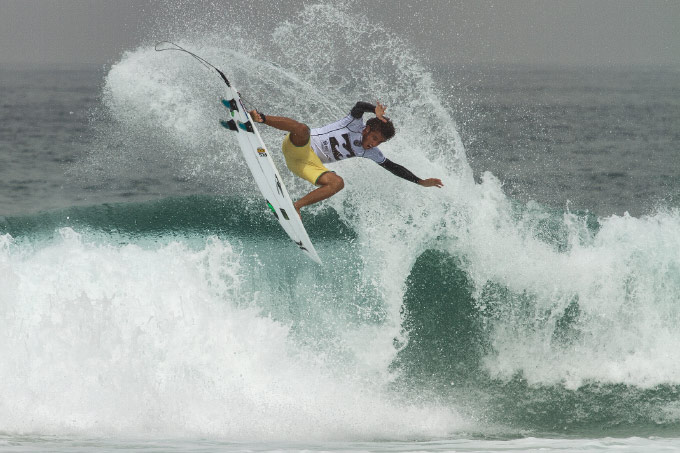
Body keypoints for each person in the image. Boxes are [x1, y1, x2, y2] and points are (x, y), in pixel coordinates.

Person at [249, 101, 443, 217]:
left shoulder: (370, 152)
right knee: (302, 129)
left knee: (337, 183)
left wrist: (420, 181)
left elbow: (393, 167)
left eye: (379, 142)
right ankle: (260, 118)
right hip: (298, 145)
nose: (374, 144)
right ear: (366, 129)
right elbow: (359, 106)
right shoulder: (353, 123)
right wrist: (374, 109)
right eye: (374, 138)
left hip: (306, 165)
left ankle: (295, 208)